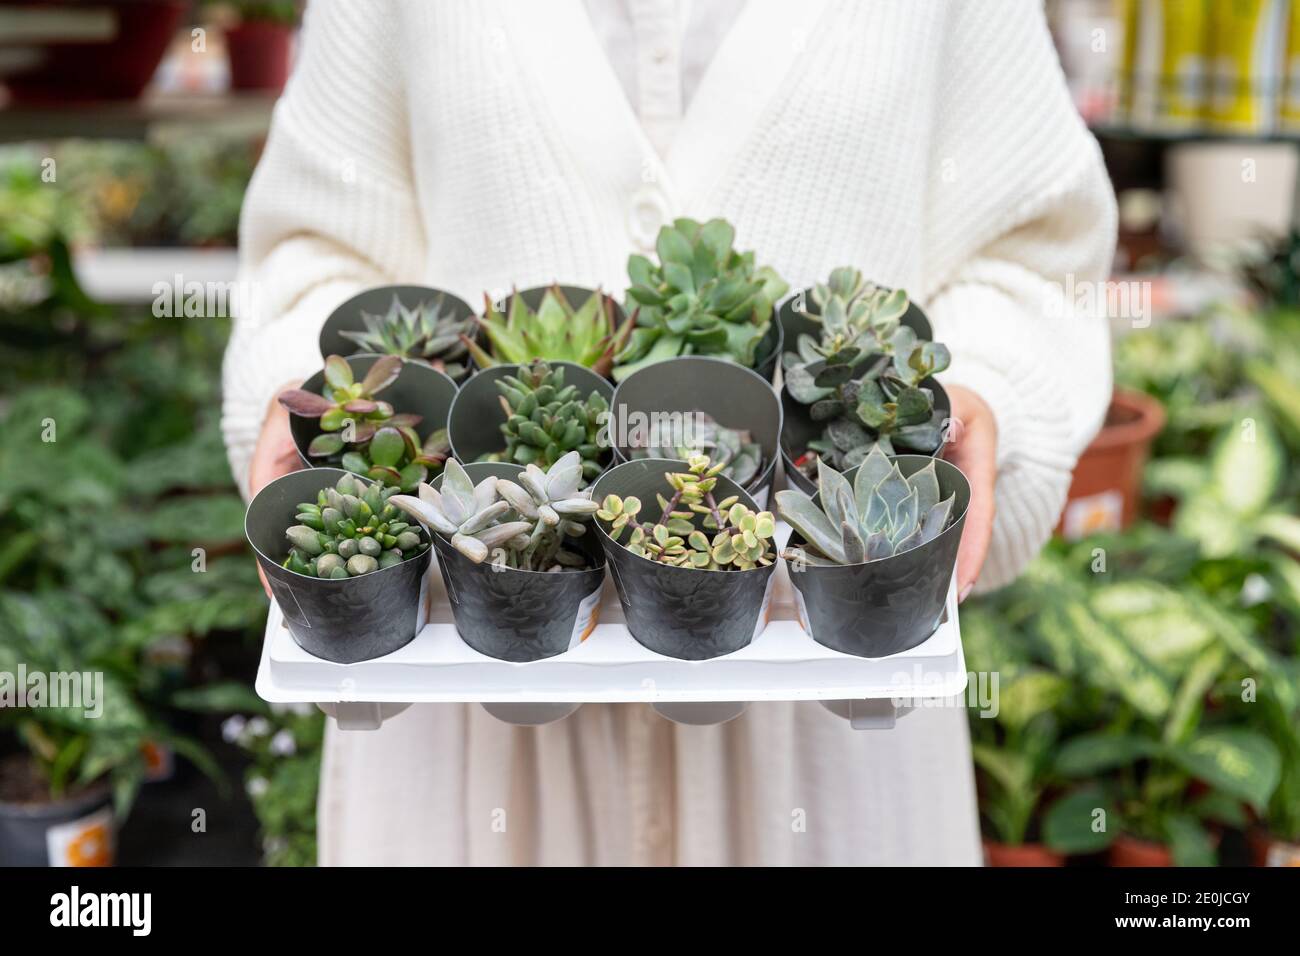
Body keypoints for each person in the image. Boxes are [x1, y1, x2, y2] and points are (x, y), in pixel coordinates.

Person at [223, 0, 1115, 865]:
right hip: (465, 717)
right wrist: (301, 389)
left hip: (829, 722)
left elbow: (1032, 247)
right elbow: (315, 243)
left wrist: (982, 394)